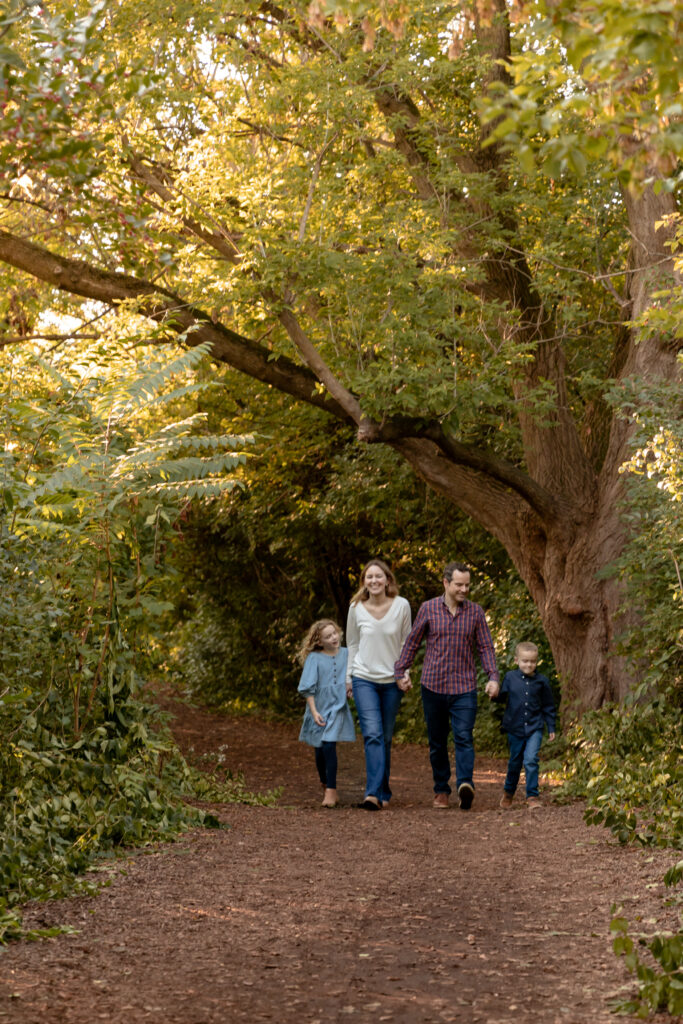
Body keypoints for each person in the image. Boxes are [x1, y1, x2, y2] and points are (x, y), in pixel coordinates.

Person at [395, 561, 499, 810]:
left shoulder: (475, 612)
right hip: (433, 686)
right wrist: (401, 670)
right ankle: (441, 790)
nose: (464, 589)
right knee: (437, 742)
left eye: (467, 585)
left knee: (463, 736)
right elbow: (413, 642)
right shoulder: (428, 609)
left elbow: (485, 646)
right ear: (446, 583)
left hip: (464, 687)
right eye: (459, 585)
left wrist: (493, 676)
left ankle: (465, 785)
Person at [346, 559, 412, 811]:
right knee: (372, 734)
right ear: (364, 582)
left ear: (387, 580)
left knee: (384, 737)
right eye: (368, 577)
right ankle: (372, 794)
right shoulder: (356, 607)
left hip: (392, 681)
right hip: (364, 679)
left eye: (378, 576)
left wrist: (405, 672)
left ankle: (384, 789)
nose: (373, 581)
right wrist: (349, 677)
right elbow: (352, 644)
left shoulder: (401, 605)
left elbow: (407, 642)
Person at [297, 619, 355, 808]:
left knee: (329, 745)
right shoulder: (314, 658)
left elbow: (354, 674)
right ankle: (324, 781)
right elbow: (308, 688)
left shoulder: (347, 653)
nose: (333, 638)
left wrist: (351, 687)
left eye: (334, 633)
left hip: (338, 707)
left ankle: (331, 790)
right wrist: (314, 712)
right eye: (328, 636)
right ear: (320, 641)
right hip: (319, 708)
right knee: (320, 749)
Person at [496, 641, 556, 810]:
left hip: (534, 728)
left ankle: (532, 796)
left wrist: (551, 727)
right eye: (525, 661)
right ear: (517, 660)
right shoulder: (510, 678)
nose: (529, 665)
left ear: (536, 662)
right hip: (514, 728)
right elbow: (501, 698)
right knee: (515, 762)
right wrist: (493, 693)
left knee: (531, 760)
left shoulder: (542, 682)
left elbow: (548, 706)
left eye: (532, 661)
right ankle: (508, 793)